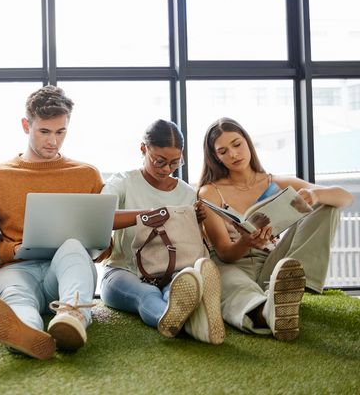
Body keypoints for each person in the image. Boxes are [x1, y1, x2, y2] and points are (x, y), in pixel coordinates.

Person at [0, 85, 102, 360]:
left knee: (73, 246)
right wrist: (11, 250)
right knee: (16, 296)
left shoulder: (86, 175)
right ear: (26, 125)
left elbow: (102, 246)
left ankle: (72, 318)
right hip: (15, 269)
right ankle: (26, 331)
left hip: (64, 271)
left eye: (61, 132)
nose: (53, 141)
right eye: (45, 132)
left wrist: (98, 243)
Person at [198, 117, 353, 341]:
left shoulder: (278, 183)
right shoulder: (209, 192)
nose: (233, 154)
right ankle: (266, 311)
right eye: (223, 151)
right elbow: (224, 251)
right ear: (216, 157)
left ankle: (292, 283)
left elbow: (345, 197)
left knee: (327, 205)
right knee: (233, 285)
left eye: (236, 144)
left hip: (273, 264)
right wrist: (246, 242)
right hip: (232, 264)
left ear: (247, 143)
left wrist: (317, 195)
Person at [99, 119, 224, 345]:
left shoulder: (187, 192)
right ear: (143, 149)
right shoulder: (123, 182)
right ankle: (184, 322)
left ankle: (188, 316)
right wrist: (151, 214)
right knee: (147, 295)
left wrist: (197, 222)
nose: (167, 169)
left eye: (175, 163)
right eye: (160, 161)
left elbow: (189, 242)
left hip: (169, 272)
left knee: (180, 285)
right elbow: (101, 217)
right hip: (122, 271)